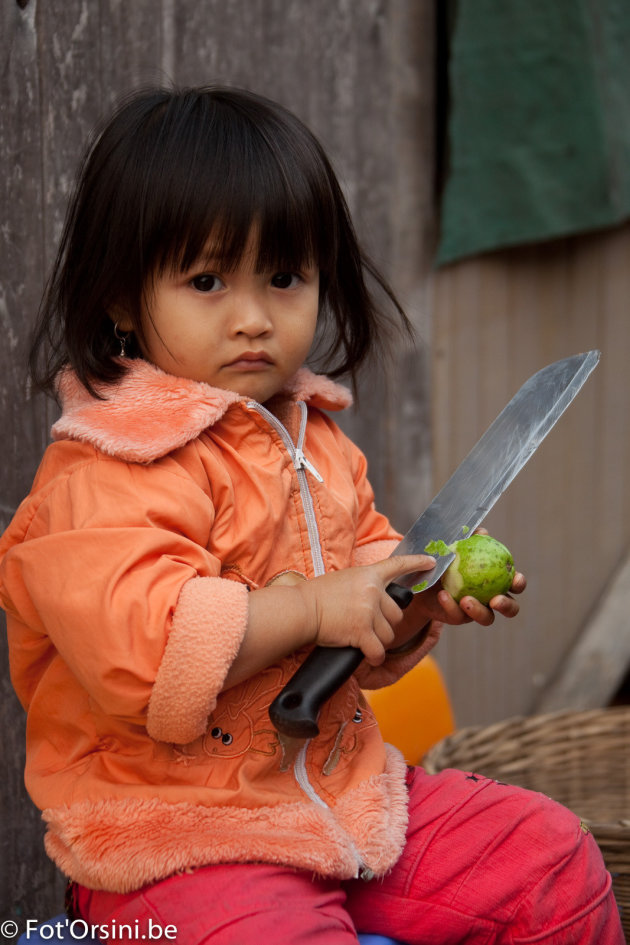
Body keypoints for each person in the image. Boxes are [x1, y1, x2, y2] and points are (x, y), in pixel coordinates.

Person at [0, 86, 622, 945]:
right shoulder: (106, 468)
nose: (255, 316)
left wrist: (413, 604)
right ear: (118, 299)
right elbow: (142, 654)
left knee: (549, 859)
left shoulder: (317, 442)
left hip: (344, 799)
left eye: (285, 277)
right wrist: (313, 605)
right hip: (179, 840)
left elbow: (361, 612)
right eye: (208, 279)